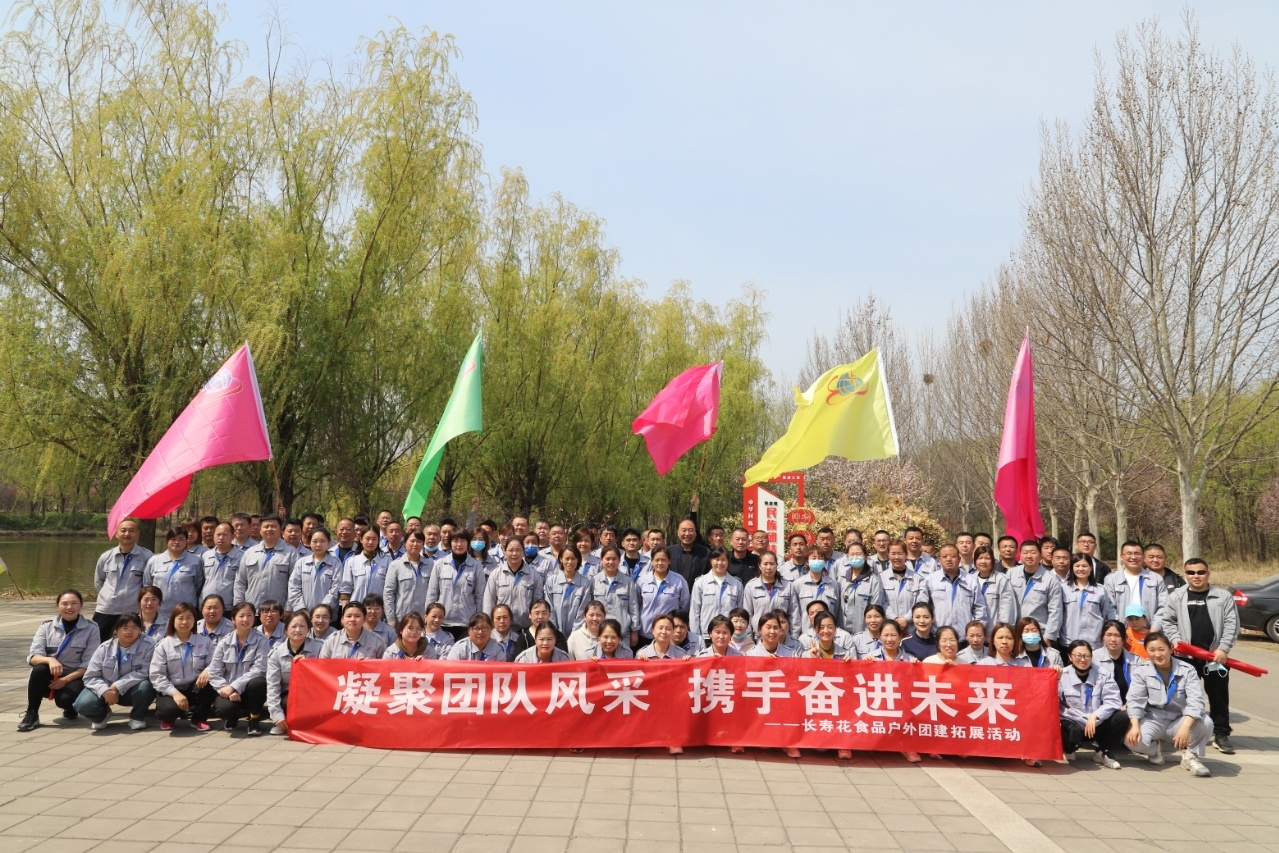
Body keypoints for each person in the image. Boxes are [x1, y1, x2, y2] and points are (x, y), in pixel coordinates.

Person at [1159, 558, 1240, 754]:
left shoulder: (1222, 597)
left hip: (1214, 658)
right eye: (1191, 572)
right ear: (1185, 574)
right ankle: (1181, 732)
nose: (1196, 576)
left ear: (1208, 573)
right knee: (1181, 697)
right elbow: (1168, 621)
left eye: (1201, 572)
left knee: (1218, 696)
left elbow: (1232, 623)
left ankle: (1221, 734)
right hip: (1185, 657)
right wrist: (1176, 641)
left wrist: (1223, 648)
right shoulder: (1177, 596)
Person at [1125, 631, 1213, 777]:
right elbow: (1135, 700)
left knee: (1206, 722)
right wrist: (1134, 725)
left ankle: (1190, 756)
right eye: (1152, 650)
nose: (1157, 654)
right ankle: (1155, 749)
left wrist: (1186, 726)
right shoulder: (1142, 671)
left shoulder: (1187, 670)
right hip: (1153, 719)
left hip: (1178, 720)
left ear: (1171, 649)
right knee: (1131, 740)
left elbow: (1196, 700)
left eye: (1161, 649)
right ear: (1146, 651)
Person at [21, 590, 100, 732]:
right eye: (64, 604)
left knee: (64, 700)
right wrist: (50, 660)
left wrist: (65, 680)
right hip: (50, 674)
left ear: (81, 605)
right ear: (57, 606)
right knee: (39, 670)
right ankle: (32, 714)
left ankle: (70, 707)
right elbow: (33, 657)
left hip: (75, 675)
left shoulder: (91, 628)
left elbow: (90, 664)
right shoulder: (46, 627)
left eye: (74, 603)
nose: (69, 607)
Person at [76, 613, 157, 731]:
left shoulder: (149, 644)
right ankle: (102, 715)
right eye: (125, 628)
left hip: (131, 690)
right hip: (106, 689)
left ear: (140, 630)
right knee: (82, 704)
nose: (129, 632)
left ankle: (137, 717)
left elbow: (145, 671)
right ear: (116, 630)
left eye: (134, 628)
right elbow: (90, 676)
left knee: (147, 686)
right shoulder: (104, 648)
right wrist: (105, 690)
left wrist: (117, 686)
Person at [151, 602, 217, 731]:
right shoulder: (163, 645)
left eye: (189, 618)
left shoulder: (205, 641)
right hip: (172, 689)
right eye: (180, 618)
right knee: (168, 710)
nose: (184, 622)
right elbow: (156, 675)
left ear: (194, 620)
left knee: (210, 682)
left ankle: (199, 719)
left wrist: (207, 671)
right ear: (173, 621)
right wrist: (175, 693)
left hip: (195, 687)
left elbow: (215, 663)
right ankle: (169, 718)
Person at [1059, 641, 1125, 769]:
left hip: (1096, 724)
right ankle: (1068, 749)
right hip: (1073, 721)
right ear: (1070, 657)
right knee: (1068, 727)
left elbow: (1113, 701)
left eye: (1087, 656)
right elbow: (1053, 701)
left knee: (1122, 717)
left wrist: (1095, 716)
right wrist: (1056, 679)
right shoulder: (1062, 675)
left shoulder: (1103, 674)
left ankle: (1102, 751)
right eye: (1078, 655)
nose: (1083, 659)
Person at [208, 602, 271, 735]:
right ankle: (233, 716)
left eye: (249, 615)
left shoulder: (262, 641)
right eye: (241, 616)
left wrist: (235, 687)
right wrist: (227, 689)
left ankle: (254, 719)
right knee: (224, 709)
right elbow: (214, 672)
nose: (245, 619)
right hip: (228, 690)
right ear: (233, 619)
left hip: (249, 690)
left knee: (259, 682)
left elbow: (259, 669)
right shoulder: (224, 642)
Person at [91, 518, 154, 642]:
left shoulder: (147, 557)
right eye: (123, 530)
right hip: (106, 609)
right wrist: (108, 596)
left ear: (138, 533)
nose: (127, 534)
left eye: (131, 530)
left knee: (130, 642)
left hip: (131, 611)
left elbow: (148, 585)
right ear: (116, 533)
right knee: (98, 642)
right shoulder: (106, 557)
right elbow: (99, 581)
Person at [266, 610, 323, 736]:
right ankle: (284, 723)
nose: (298, 630)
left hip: (313, 693)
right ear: (286, 630)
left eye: (302, 626)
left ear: (308, 629)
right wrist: (276, 716)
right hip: (289, 695)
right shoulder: (276, 653)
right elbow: (272, 686)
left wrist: (309, 663)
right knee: (287, 702)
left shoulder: (320, 647)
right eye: (294, 626)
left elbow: (328, 670)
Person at [426, 530, 486, 641]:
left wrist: (479, 621)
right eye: (455, 540)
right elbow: (432, 593)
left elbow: (480, 596)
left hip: (467, 622)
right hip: (442, 622)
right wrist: (429, 619)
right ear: (450, 542)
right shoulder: (440, 564)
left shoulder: (476, 566)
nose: (459, 544)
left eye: (463, 540)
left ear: (468, 543)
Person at [1008, 540, 1064, 646]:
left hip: (1038, 633)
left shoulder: (1051, 579)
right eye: (1025, 552)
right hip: (1015, 632)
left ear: (1040, 555)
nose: (1029, 556)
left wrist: (1048, 636)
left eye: (1033, 552)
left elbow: (1055, 611)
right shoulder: (1011, 574)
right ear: (1020, 555)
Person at [919, 544, 986, 633]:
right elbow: (923, 607)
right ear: (939, 560)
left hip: (965, 635)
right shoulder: (930, 580)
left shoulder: (970, 580)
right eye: (944, 556)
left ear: (959, 559)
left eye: (953, 556)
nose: (949, 559)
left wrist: (977, 631)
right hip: (938, 635)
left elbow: (979, 608)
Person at [1103, 541, 1168, 631]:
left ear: (1143, 557)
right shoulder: (1111, 579)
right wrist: (1118, 630)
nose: (1133, 557)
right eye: (1129, 553)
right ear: (1121, 556)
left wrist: (1154, 629)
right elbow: (1110, 608)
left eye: (1137, 554)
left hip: (1150, 631)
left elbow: (1164, 606)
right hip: (1122, 632)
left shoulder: (1156, 579)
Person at [484, 537, 546, 631]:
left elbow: (538, 604)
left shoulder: (534, 575)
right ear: (505, 551)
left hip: (526, 628)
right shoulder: (496, 574)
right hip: (501, 628)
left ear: (523, 552)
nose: (514, 553)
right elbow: (489, 601)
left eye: (518, 550)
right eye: (511, 550)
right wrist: (489, 625)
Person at [235, 515, 296, 611]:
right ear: (260, 530)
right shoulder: (250, 553)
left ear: (280, 530)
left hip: (279, 610)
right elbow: (240, 582)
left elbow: (295, 584)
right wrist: (239, 606)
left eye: (273, 526)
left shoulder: (291, 552)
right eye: (266, 526)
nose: (269, 529)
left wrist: (289, 607)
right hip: (252, 609)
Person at [143, 528, 203, 623]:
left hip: (185, 612)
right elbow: (147, 585)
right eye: (173, 539)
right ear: (167, 541)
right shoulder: (154, 560)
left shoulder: (195, 561)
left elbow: (199, 585)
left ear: (186, 541)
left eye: (181, 539)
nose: (176, 542)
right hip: (159, 611)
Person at [591, 545, 641, 649]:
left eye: (614, 559)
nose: (611, 562)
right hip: (600, 634)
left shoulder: (628, 581)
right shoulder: (594, 581)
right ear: (601, 560)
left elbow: (633, 608)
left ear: (619, 560)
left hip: (623, 634)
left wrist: (635, 631)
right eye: (607, 559)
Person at [690, 547, 746, 641]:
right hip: (706, 636)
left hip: (729, 636)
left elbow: (740, 612)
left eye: (723, 560)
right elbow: (694, 612)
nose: (720, 563)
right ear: (711, 560)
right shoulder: (700, 583)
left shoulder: (736, 584)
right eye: (717, 559)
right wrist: (695, 637)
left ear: (728, 562)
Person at [1062, 552, 1115, 650]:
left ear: (1091, 568)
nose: (1081, 569)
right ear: (1072, 568)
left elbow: (1105, 614)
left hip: (1094, 643)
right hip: (1069, 642)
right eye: (1077, 566)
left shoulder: (1101, 590)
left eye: (1084, 566)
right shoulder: (1063, 589)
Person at [744, 550, 801, 640]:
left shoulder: (787, 586)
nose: (768, 567)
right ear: (759, 566)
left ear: (777, 565)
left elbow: (794, 614)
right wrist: (749, 640)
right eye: (765, 564)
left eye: (772, 564)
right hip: (759, 638)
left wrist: (793, 639)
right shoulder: (751, 586)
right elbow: (747, 615)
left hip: (782, 638)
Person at [636, 548, 691, 643]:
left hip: (667, 634)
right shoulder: (642, 580)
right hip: (645, 633)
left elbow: (684, 606)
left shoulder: (679, 581)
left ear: (669, 561)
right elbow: (637, 604)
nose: (660, 563)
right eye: (657, 560)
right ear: (652, 561)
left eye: (663, 560)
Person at [383, 530, 432, 627]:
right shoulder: (396, 565)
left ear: (423, 544)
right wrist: (391, 618)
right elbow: (388, 593)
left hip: (423, 618)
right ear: (405, 543)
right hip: (401, 619)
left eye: (419, 541)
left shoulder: (431, 564)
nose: (415, 544)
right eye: (412, 541)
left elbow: (434, 592)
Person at [289, 527, 342, 616]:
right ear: (309, 543)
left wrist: (322, 610)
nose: (318, 544)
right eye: (314, 541)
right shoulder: (301, 562)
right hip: (303, 615)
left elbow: (335, 589)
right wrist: (301, 608)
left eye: (322, 541)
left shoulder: (336, 563)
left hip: (326, 616)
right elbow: (294, 587)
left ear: (328, 542)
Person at [837, 542, 886, 637]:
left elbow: (875, 608)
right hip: (842, 633)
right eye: (852, 554)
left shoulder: (873, 580)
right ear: (847, 557)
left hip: (864, 633)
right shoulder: (841, 578)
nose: (855, 557)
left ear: (866, 556)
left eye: (859, 554)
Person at [338, 528, 389, 609]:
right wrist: (345, 611)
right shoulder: (352, 561)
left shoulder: (387, 561)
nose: (370, 542)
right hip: (356, 609)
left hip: (377, 610)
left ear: (378, 540)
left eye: (374, 539)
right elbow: (345, 590)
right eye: (367, 539)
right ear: (361, 540)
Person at [794, 544, 841, 633]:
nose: (817, 561)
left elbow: (836, 611)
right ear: (807, 561)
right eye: (813, 558)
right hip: (806, 633)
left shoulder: (833, 584)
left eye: (820, 558)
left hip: (828, 633)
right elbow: (795, 613)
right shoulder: (798, 584)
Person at [972, 545, 1017, 635]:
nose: (983, 561)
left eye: (987, 558)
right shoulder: (970, 580)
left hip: (994, 632)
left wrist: (1001, 631)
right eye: (980, 558)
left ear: (993, 561)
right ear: (975, 561)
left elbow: (1006, 608)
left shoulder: (1001, 579)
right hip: (974, 634)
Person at [1095, 619, 1141, 705]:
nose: (1113, 639)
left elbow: (1141, 689)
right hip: (1102, 707)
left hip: (1130, 706)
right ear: (1103, 637)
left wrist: (1128, 705)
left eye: (1117, 635)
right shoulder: (1093, 658)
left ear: (1124, 638)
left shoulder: (1136, 660)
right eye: (1109, 635)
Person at [320, 602, 387, 660]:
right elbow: (322, 666)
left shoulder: (377, 642)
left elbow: (385, 666)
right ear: (342, 619)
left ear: (364, 619)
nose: (352, 619)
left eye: (357, 616)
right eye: (349, 616)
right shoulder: (332, 640)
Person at [879, 539, 920, 630]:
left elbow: (920, 602)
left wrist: (906, 619)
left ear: (906, 554)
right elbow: (881, 602)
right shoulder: (881, 578)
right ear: (888, 555)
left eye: (900, 553)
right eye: (893, 554)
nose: (896, 557)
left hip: (911, 628)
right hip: (889, 628)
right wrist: (894, 619)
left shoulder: (917, 578)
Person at [201, 522, 241, 611]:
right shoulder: (206, 555)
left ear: (233, 536)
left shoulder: (241, 557)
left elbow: (242, 584)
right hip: (206, 605)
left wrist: (238, 606)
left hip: (228, 607)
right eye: (218, 534)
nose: (221, 538)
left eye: (225, 535)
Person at [665, 518, 710, 584]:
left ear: (695, 533)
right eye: (684, 530)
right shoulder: (669, 552)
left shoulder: (706, 553)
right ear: (678, 532)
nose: (687, 533)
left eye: (690, 530)